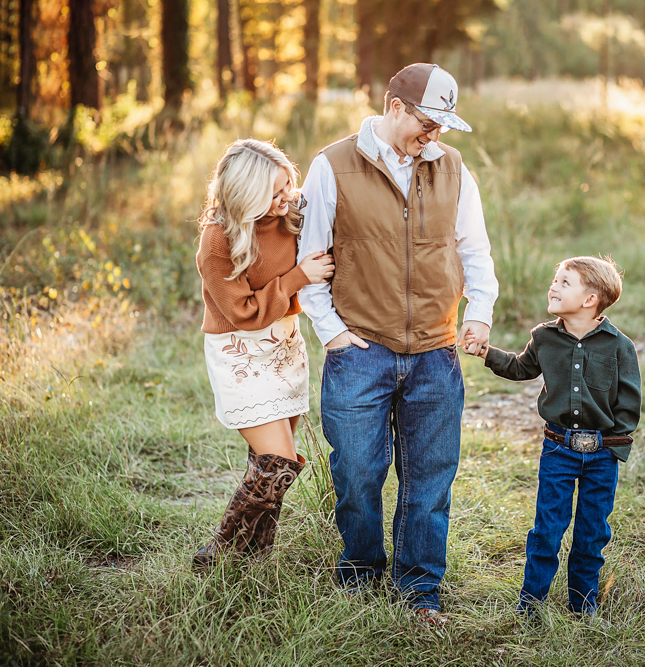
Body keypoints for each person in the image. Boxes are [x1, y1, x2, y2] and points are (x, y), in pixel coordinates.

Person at [297, 63, 498, 622]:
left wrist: (478, 313)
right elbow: (307, 262)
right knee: (358, 475)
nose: (432, 136)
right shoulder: (332, 165)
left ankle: (419, 592)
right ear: (394, 107)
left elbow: (475, 251)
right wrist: (332, 333)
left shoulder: (454, 168)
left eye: (441, 125)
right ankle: (360, 575)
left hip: (436, 352)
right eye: (426, 122)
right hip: (360, 352)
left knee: (430, 480)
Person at [468, 256, 642, 616]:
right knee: (547, 529)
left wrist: (615, 447)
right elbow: (520, 368)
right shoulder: (544, 337)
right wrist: (486, 351)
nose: (553, 286)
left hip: (601, 454)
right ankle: (529, 606)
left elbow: (628, 402)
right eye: (555, 280)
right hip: (558, 448)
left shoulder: (619, 346)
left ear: (590, 298)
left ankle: (583, 606)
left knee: (592, 533)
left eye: (565, 282)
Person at [192, 139, 335, 568]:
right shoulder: (218, 239)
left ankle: (252, 560)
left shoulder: (289, 215)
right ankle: (217, 554)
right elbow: (242, 310)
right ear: (244, 194)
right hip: (240, 351)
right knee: (279, 460)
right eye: (273, 193)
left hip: (283, 344)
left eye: (287, 185)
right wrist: (297, 278)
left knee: (268, 467)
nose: (285, 197)